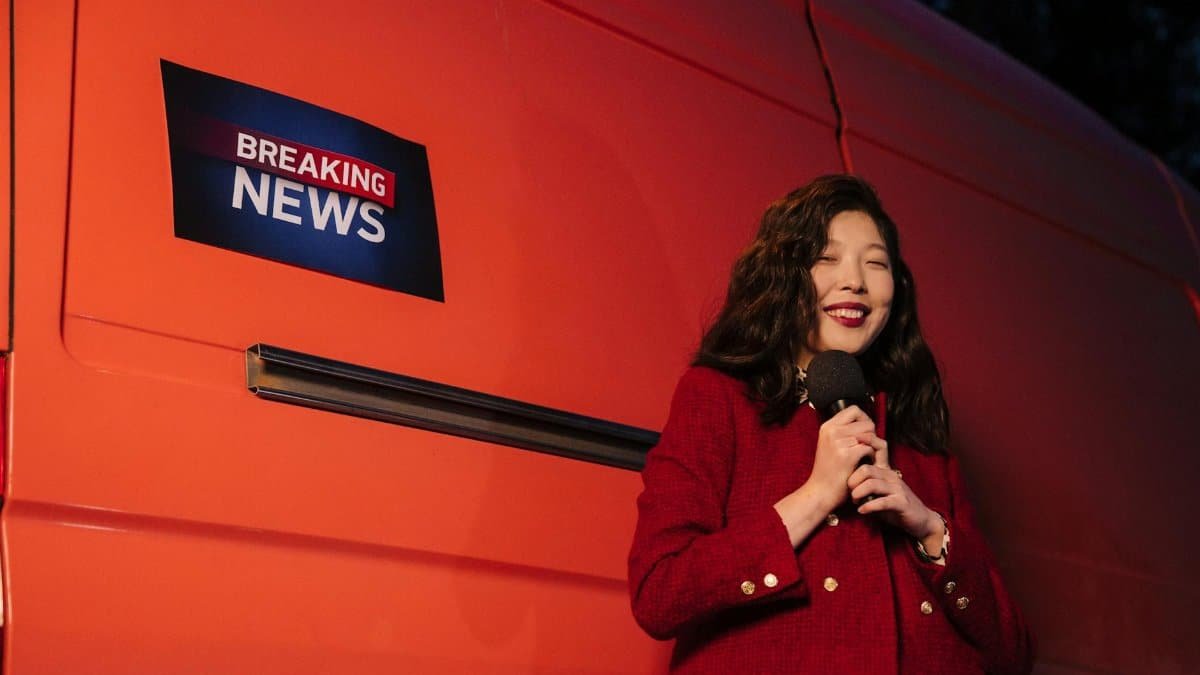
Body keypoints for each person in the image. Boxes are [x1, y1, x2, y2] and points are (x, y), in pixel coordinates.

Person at [627, 175, 1034, 674]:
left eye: (876, 263)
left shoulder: (922, 446)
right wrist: (816, 495)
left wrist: (929, 528)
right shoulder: (718, 399)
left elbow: (1012, 654)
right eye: (827, 257)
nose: (856, 280)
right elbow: (659, 593)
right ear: (783, 273)